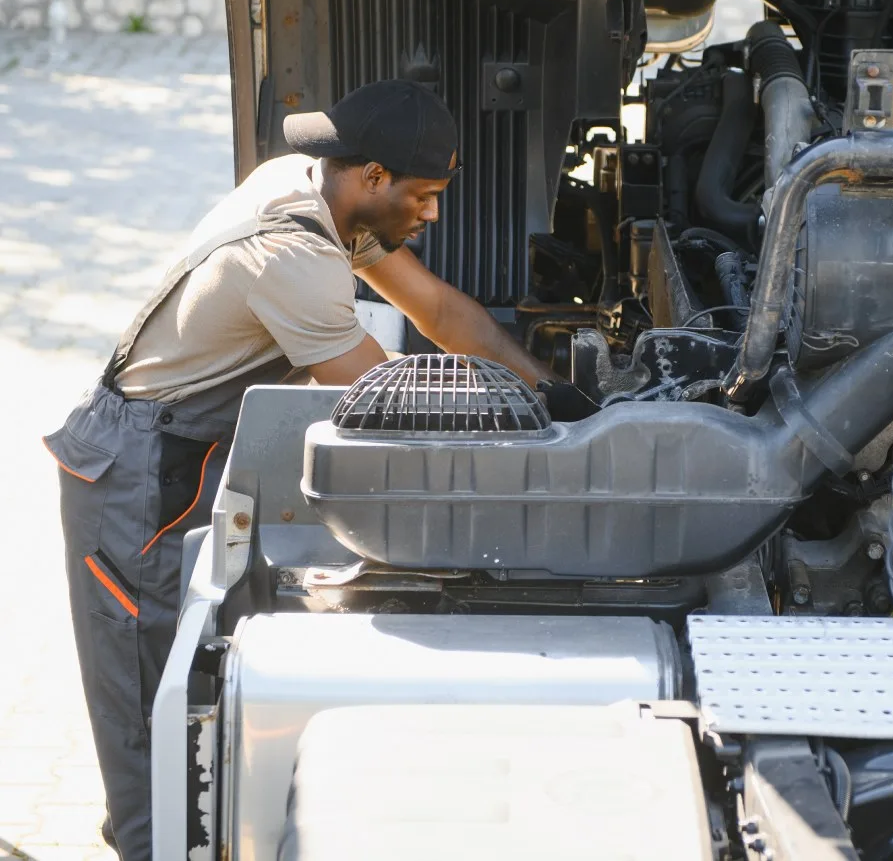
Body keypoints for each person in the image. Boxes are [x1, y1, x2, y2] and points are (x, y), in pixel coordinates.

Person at [43, 79, 556, 861]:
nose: (433, 214)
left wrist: (550, 392)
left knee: (185, 703)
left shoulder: (318, 187)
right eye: (426, 195)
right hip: (134, 472)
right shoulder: (292, 253)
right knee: (148, 738)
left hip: (185, 453)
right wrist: (520, 448)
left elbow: (441, 313)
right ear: (375, 176)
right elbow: (387, 400)